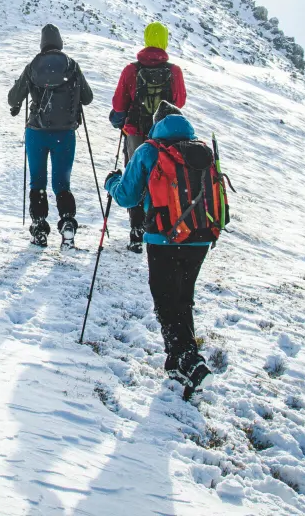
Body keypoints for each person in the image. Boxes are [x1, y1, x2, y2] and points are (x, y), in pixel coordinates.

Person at [104, 112, 220, 398]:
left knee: (166, 301)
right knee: (182, 298)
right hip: (200, 236)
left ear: (156, 125)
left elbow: (127, 197)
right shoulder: (201, 151)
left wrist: (112, 182)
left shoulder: (149, 150)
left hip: (164, 237)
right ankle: (177, 362)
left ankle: (188, 360)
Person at [8, 24, 94, 248]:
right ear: (60, 42)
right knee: (61, 183)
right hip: (64, 134)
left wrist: (20, 102)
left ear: (42, 43)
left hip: (36, 132)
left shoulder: (33, 66)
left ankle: (39, 227)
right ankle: (67, 223)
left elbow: (13, 98)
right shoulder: (72, 65)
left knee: (38, 181)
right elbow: (88, 98)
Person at [109, 22, 187, 252]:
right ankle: (161, 225)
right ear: (164, 41)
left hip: (136, 133)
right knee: (163, 176)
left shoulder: (131, 70)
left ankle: (136, 230)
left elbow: (118, 104)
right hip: (166, 136)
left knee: (136, 177)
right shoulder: (174, 71)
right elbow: (179, 102)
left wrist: (121, 120)